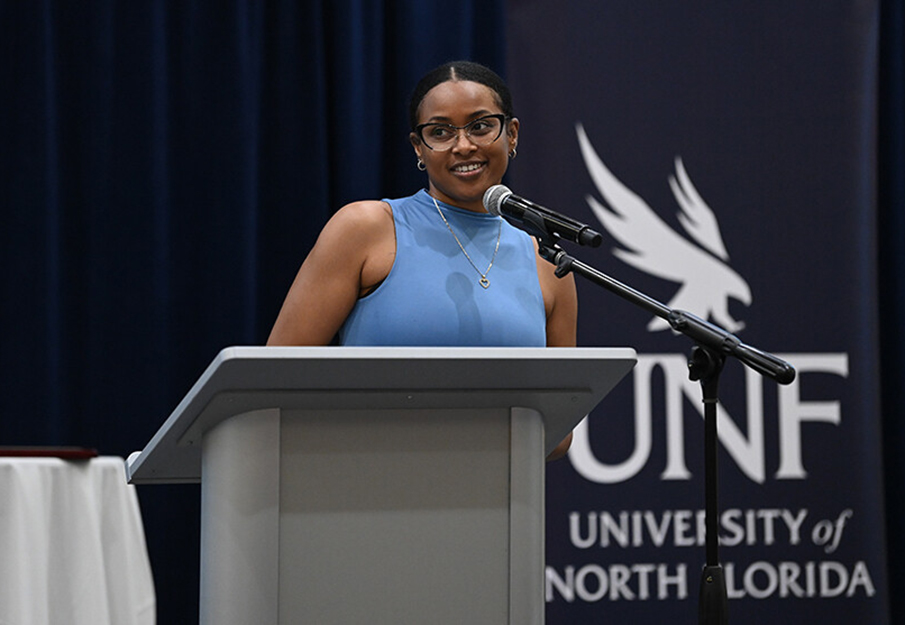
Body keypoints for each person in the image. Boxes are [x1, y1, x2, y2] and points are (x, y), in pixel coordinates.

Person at [266, 61, 577, 459]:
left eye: (481, 126)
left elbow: (560, 431)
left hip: (498, 500)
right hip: (362, 486)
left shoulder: (548, 263)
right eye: (441, 132)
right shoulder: (366, 228)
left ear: (511, 134)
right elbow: (274, 380)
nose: (463, 145)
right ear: (418, 147)